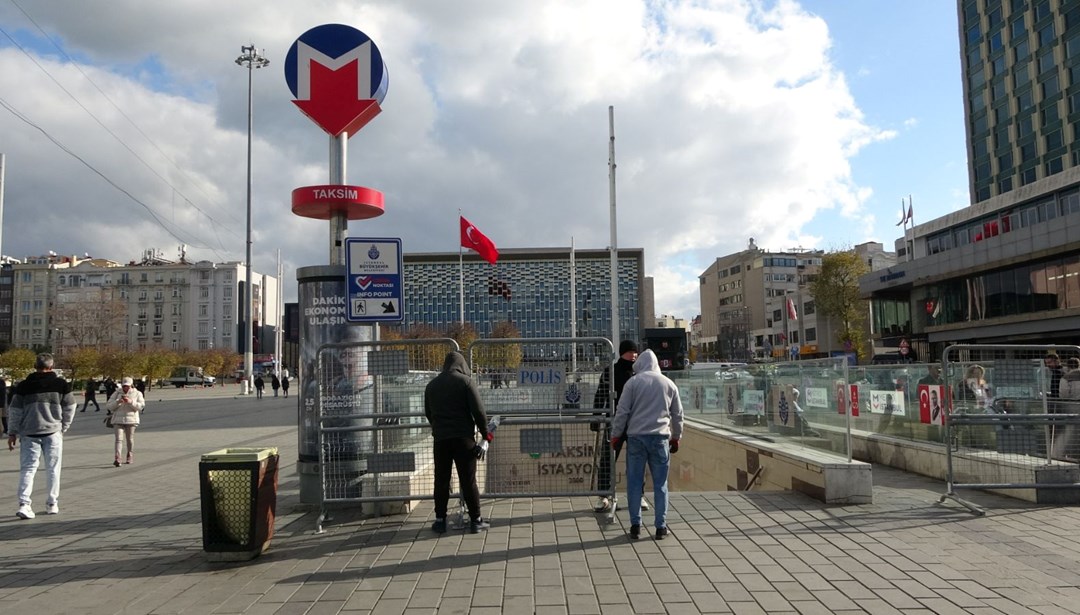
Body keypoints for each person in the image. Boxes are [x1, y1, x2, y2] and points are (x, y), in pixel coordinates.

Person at [610, 349, 684, 541]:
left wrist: (616, 435)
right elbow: (677, 415)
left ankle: (636, 525)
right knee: (660, 484)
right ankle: (661, 526)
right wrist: (676, 437)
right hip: (660, 439)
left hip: (636, 438)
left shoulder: (633, 383)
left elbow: (622, 412)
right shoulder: (669, 384)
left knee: (634, 482)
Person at [424, 351, 491, 534]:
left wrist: (438, 428)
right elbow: (478, 412)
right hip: (464, 439)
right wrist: (486, 436)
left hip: (441, 440)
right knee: (468, 481)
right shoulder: (466, 382)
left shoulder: (432, 386)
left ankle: (440, 520)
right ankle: (476, 520)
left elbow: (429, 413)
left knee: (441, 480)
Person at [6, 353, 77, 519]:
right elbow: (70, 407)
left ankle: (24, 504)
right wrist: (63, 426)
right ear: (51, 367)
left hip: (29, 432)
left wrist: (12, 432)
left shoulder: (23, 385)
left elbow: (15, 410)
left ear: (35, 366)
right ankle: (52, 503)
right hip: (52, 431)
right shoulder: (61, 384)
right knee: (53, 469)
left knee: (28, 469)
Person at [591, 339, 638, 514]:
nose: (634, 355)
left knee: (637, 460)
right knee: (607, 459)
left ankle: (638, 496)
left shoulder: (640, 371)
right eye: (631, 352)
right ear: (622, 352)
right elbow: (600, 394)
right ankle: (603, 496)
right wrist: (596, 417)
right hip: (615, 421)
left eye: (636, 352)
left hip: (636, 422)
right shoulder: (611, 371)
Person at [105, 377, 145, 467]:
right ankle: (117, 458)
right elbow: (109, 406)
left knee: (129, 439)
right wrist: (118, 402)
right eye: (124, 386)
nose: (125, 388)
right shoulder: (117, 393)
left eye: (127, 386)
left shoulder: (137, 393)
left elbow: (141, 406)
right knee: (118, 439)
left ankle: (129, 454)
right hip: (118, 420)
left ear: (131, 385)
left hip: (131, 420)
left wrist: (130, 402)